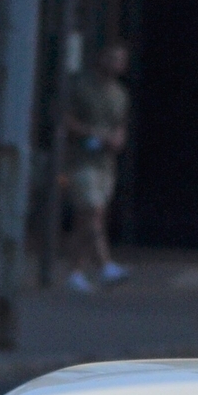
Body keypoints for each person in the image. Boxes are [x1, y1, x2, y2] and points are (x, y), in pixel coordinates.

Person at [63, 44, 131, 291]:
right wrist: (93, 134)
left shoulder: (120, 94)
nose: (116, 64)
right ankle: (105, 265)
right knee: (92, 210)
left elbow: (120, 124)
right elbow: (66, 119)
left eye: (120, 60)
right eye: (112, 57)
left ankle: (75, 272)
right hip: (81, 160)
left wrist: (117, 140)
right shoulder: (82, 87)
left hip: (105, 162)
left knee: (87, 218)